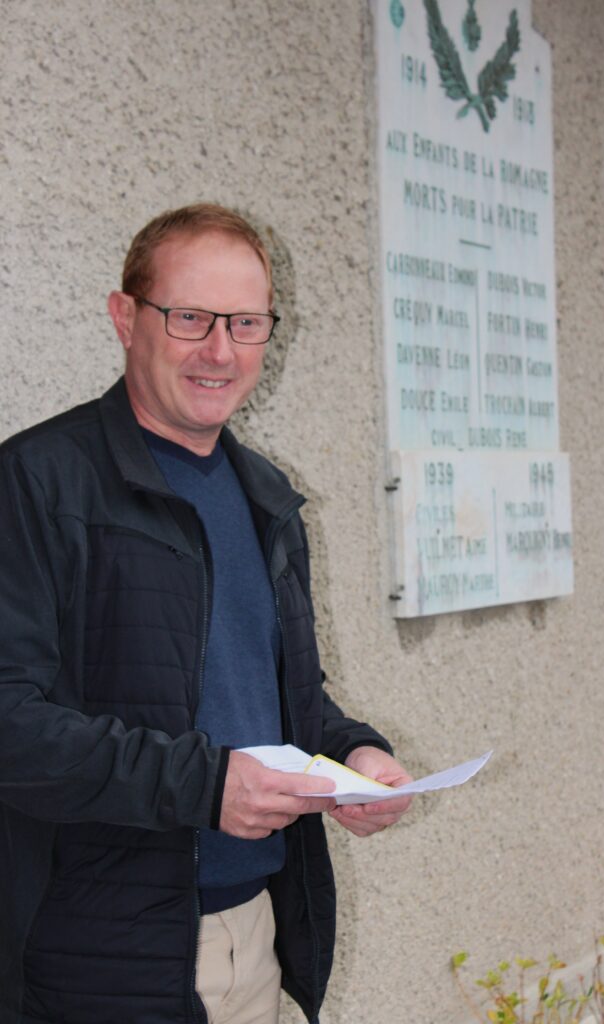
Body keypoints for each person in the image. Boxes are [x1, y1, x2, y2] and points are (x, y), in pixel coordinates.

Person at [0, 203, 411, 1024]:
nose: (220, 350)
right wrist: (206, 783)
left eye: (247, 322)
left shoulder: (263, 496)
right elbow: (11, 725)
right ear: (126, 318)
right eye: (190, 317)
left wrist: (352, 753)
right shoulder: (37, 482)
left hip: (251, 936)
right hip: (96, 961)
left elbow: (269, 694)